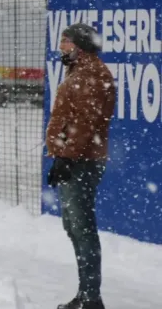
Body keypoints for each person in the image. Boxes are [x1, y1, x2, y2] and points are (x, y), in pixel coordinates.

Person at [45, 23, 115, 309]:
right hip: (75, 158)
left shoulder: (90, 74)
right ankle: (85, 294)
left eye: (65, 41)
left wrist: (67, 156)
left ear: (79, 45)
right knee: (73, 226)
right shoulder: (80, 71)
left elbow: (86, 123)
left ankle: (91, 297)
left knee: (82, 227)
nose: (61, 47)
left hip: (81, 162)